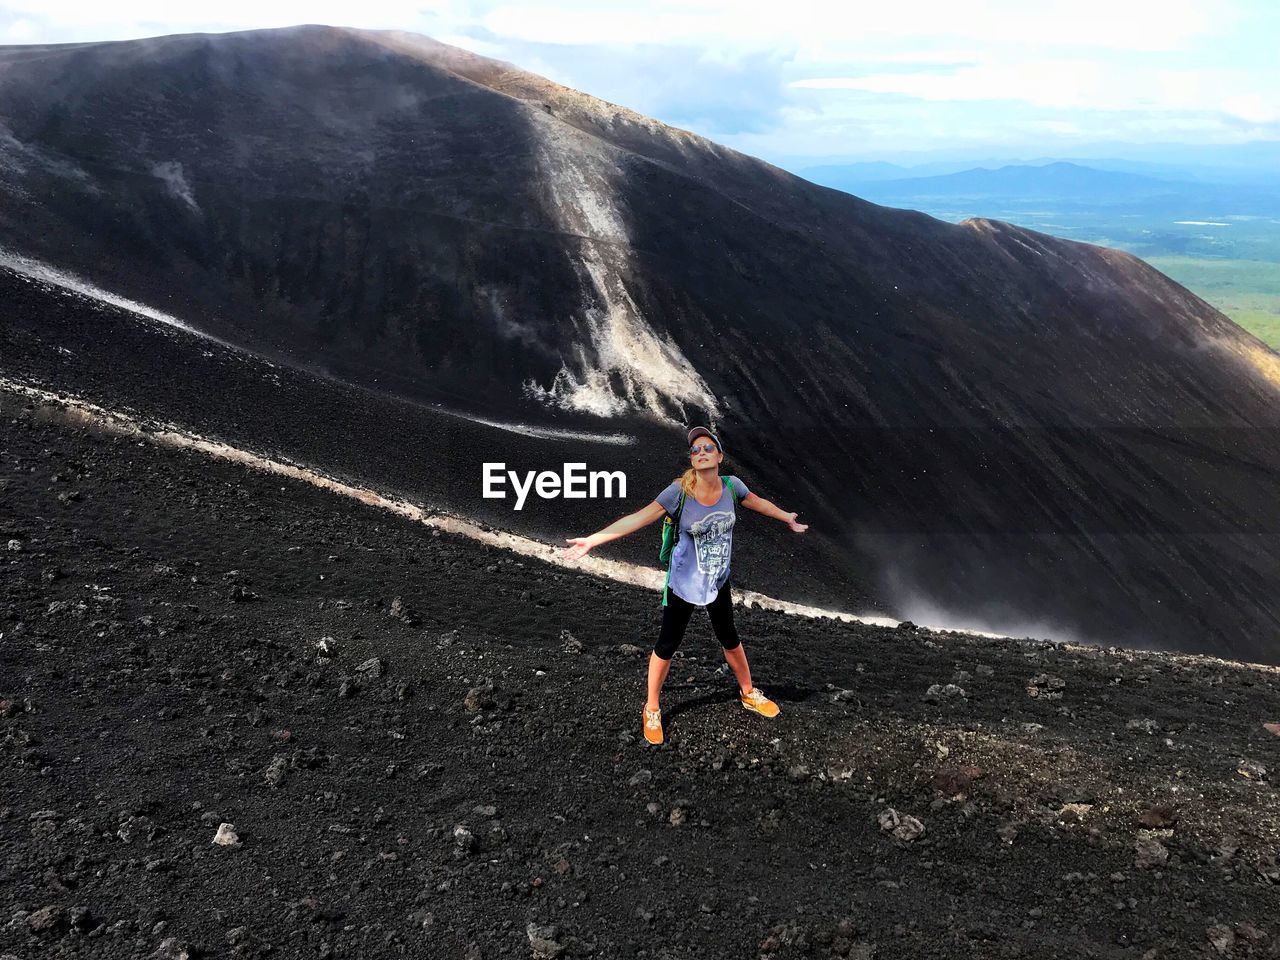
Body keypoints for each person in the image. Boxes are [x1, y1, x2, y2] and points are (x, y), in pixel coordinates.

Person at [562, 426, 809, 745]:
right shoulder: (678, 492)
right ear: (692, 460)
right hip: (682, 583)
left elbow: (758, 502)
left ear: (720, 456)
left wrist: (786, 516)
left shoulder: (733, 486)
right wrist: (593, 540)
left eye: (708, 447)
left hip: (717, 579)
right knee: (668, 643)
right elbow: (638, 518)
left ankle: (748, 693)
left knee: (729, 637)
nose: (701, 452)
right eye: (695, 450)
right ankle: (651, 707)